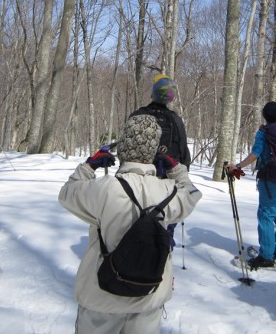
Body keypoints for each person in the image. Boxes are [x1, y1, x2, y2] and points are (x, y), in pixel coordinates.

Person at [59, 115, 202, 334]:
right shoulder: (168, 190)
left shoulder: (105, 188)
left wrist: (89, 166)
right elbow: (192, 194)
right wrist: (176, 168)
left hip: (101, 298)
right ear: (153, 151)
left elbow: (67, 194)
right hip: (149, 298)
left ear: (124, 147)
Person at [225, 101, 276, 269]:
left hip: (271, 182)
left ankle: (266, 256)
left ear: (265, 117)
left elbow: (254, 155)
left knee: (266, 216)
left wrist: (238, 166)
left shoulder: (263, 133)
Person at [129, 74, 191, 246]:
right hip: (167, 184)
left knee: (138, 217)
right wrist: (182, 175)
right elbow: (184, 155)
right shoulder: (176, 120)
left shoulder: (137, 115)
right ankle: (164, 252)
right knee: (166, 220)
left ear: (153, 94)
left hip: (139, 182)